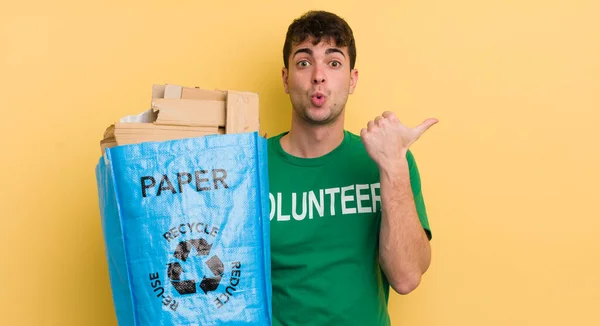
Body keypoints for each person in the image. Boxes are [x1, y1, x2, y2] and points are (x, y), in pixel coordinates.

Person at [267, 10, 437, 325]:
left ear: (352, 79)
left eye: (333, 63)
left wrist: (393, 166)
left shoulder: (387, 160)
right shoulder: (250, 167)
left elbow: (406, 277)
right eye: (304, 62)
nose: (319, 75)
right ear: (286, 79)